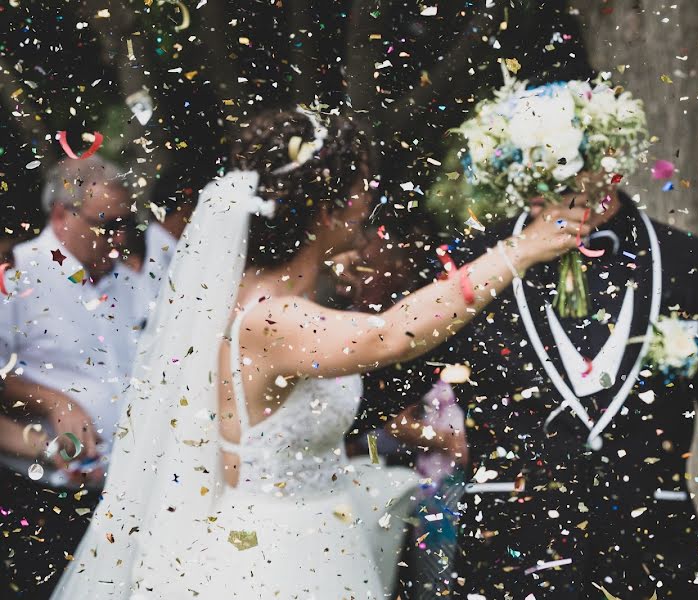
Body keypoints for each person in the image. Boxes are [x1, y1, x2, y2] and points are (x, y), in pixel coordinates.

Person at [50, 107, 591, 600]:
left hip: (312, 531)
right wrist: (523, 247)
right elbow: (394, 335)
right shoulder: (274, 320)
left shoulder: (262, 295)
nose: (367, 203)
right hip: (276, 556)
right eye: (359, 189)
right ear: (326, 211)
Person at [366, 185, 698, 599]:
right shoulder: (472, 261)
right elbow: (384, 384)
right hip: (509, 560)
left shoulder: (691, 264)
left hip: (655, 558)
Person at [0, 156, 175, 599]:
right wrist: (55, 403)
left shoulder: (129, 281)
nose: (118, 239)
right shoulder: (16, 274)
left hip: (130, 500)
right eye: (106, 224)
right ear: (62, 215)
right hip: (42, 505)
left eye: (127, 225)